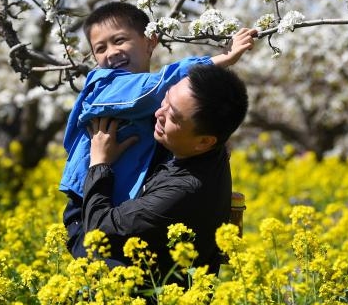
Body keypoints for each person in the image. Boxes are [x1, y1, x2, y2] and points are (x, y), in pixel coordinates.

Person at [60, 1, 254, 257]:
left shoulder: (156, 99)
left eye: (119, 40)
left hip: (114, 201)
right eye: (100, 48)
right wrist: (220, 59)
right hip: (86, 204)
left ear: (151, 41)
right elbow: (155, 85)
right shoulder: (105, 85)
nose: (111, 52)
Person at [81, 64, 249, 287]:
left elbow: (99, 229)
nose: (159, 114)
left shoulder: (183, 192)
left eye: (173, 117)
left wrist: (99, 162)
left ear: (204, 141)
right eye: (166, 100)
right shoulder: (205, 150)